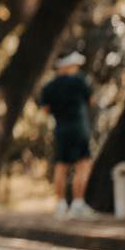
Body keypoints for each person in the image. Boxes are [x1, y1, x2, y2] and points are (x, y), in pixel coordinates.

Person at [38, 51, 95, 218]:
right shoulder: (79, 80)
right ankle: (78, 203)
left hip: (61, 128)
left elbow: (46, 109)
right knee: (83, 164)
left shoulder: (49, 86)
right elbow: (91, 101)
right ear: (68, 65)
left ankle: (61, 204)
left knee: (61, 166)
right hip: (79, 128)